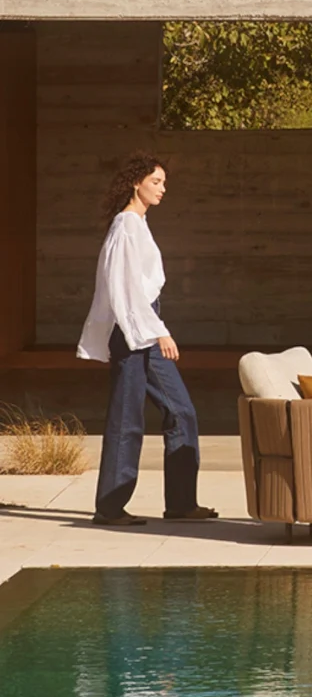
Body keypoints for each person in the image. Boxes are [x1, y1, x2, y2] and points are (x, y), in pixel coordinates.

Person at [76, 152, 218, 526]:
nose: (162, 189)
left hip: (146, 328)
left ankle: (181, 504)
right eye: (156, 181)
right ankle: (109, 508)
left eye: (164, 183)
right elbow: (124, 289)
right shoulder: (125, 225)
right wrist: (159, 330)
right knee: (126, 420)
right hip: (133, 332)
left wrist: (155, 329)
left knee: (181, 410)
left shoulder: (139, 224)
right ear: (136, 182)